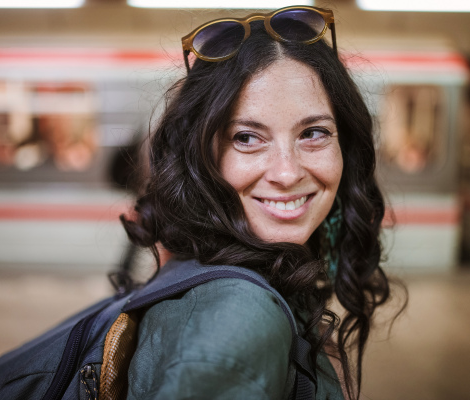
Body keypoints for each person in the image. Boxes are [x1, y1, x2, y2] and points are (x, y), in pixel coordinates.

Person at [120, 5, 394, 400]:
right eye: (246, 138)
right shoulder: (237, 321)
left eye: (313, 133)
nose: (286, 173)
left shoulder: (244, 268)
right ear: (201, 157)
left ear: (346, 146)